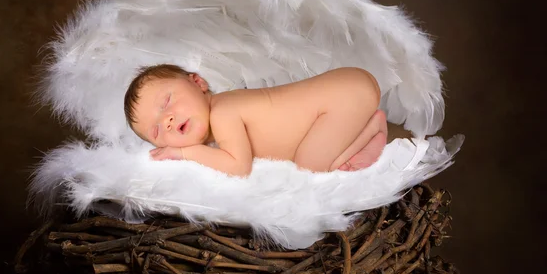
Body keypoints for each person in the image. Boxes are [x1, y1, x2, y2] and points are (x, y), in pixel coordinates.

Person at [124, 64, 388, 177]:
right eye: (157, 130)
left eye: (167, 102)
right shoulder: (221, 110)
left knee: (309, 166)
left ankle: (371, 127)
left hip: (343, 95)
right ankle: (367, 125)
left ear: (198, 82)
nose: (167, 120)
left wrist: (183, 152)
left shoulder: (223, 112)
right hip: (343, 89)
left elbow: (239, 167)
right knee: (311, 156)